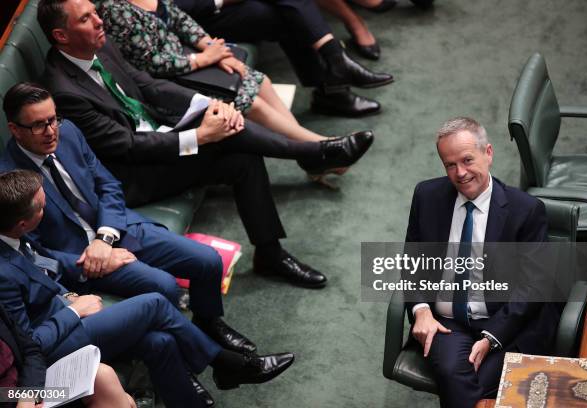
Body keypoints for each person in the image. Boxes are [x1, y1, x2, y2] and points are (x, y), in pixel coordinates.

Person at [37, 0, 374, 288]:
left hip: (156, 135)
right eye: (85, 18)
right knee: (226, 139)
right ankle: (313, 153)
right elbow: (126, 146)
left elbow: (146, 84)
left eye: (95, 12)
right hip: (132, 178)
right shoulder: (64, 90)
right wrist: (199, 136)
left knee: (242, 157)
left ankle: (270, 253)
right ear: (61, 36)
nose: (99, 20)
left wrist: (205, 104)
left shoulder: (98, 43)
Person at [0, 82, 274, 358]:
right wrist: (96, 258)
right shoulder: (9, 181)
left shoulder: (68, 132)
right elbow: (32, 254)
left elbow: (107, 184)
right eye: (38, 125)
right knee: (164, 285)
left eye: (53, 119)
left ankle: (208, 323)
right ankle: (187, 355)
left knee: (208, 261)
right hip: (83, 260)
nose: (50, 131)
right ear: (14, 129)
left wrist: (105, 237)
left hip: (115, 227)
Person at [0, 169, 294, 408]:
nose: (47, 207)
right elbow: (29, 344)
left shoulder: (16, 236)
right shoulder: (3, 273)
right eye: (43, 205)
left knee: (159, 343)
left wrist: (67, 295)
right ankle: (225, 362)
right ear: (25, 222)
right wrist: (75, 311)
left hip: (67, 313)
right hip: (55, 345)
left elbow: (43, 272)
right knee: (154, 302)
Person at [404, 117, 560, 408]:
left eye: (467, 160)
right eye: (450, 165)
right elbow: (413, 260)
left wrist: (491, 337)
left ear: (488, 153)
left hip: (506, 322)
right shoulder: (427, 196)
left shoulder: (525, 211)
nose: (460, 173)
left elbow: (534, 285)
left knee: (463, 382)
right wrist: (421, 309)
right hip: (447, 324)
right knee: (457, 373)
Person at [96, 0, 359, 145]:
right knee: (252, 102)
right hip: (166, 84)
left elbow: (181, 20)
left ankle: (308, 149)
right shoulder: (113, 10)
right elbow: (149, 63)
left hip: (190, 63)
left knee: (260, 80)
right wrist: (202, 59)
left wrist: (213, 49)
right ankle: (318, 146)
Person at [172, 0, 393, 116]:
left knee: (286, 9)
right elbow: (164, 8)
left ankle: (334, 70)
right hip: (193, 18)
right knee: (279, 15)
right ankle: (334, 70)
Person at [0, 302, 135, 408]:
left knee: (103, 376)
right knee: (153, 303)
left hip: (22, 390)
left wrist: (27, 396)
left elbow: (30, 350)